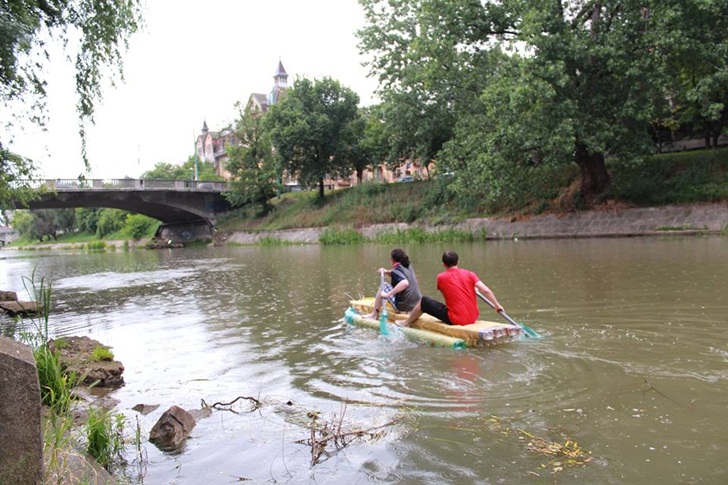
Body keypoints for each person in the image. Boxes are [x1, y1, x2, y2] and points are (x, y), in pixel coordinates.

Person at [399, 250, 504, 327]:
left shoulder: (441, 277)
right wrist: (497, 305)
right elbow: (486, 290)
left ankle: (406, 323)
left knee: (424, 301)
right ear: (458, 261)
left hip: (456, 319)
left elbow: (448, 294)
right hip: (473, 317)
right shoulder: (470, 274)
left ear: (443, 264)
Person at [364, 248, 422, 319]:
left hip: (403, 308)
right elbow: (397, 274)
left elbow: (404, 283)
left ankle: (374, 314)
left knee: (383, 285)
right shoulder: (408, 266)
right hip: (416, 306)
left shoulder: (396, 271)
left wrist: (388, 294)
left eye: (390, 258)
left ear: (393, 260)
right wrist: (386, 271)